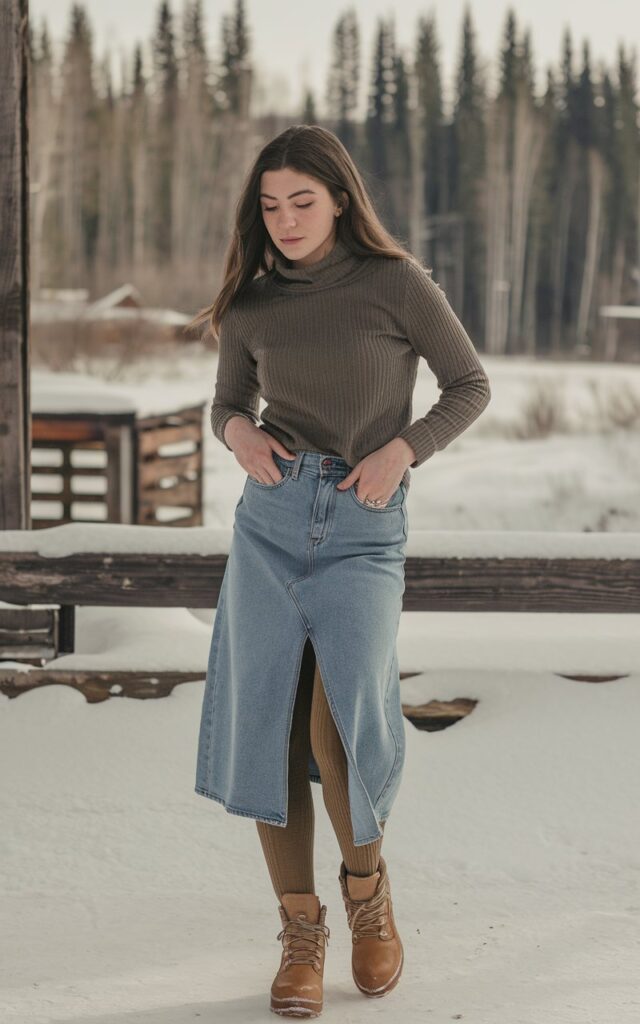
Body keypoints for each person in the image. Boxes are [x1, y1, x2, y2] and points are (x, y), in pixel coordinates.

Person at [187, 124, 491, 1018]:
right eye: (271, 205)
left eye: (303, 202)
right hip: (272, 522)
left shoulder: (395, 284)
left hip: (363, 523)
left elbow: (468, 384)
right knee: (270, 730)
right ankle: (300, 931)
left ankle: (368, 894)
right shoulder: (251, 303)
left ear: (341, 200)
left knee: (341, 724)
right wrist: (237, 433)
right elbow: (227, 403)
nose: (284, 219)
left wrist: (404, 449)